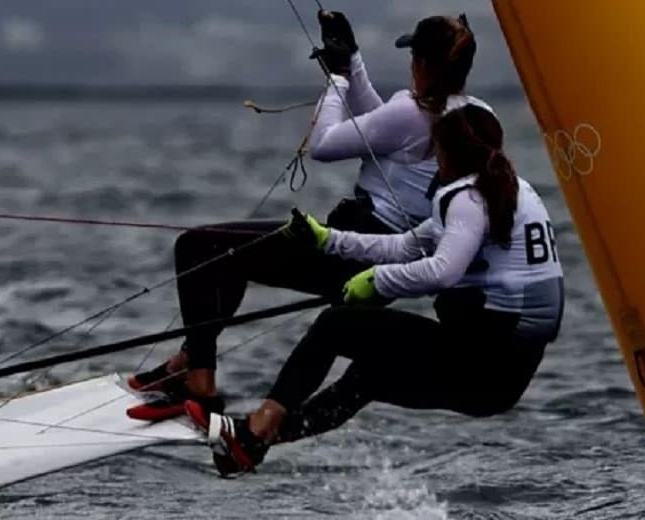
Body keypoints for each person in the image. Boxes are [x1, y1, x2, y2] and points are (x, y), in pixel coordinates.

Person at [125, 9, 495, 421]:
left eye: (413, 58)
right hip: (383, 256)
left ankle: (199, 386)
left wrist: (337, 81)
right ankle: (188, 364)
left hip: (355, 248)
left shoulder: (412, 112)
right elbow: (379, 129)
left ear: (422, 63)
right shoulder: (476, 115)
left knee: (199, 246)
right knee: (226, 257)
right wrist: (352, 61)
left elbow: (326, 145)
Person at [185, 103, 565, 476]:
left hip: (481, 359)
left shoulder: (466, 198)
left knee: (336, 325)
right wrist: (327, 239)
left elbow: (444, 271)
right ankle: (254, 443)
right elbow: (405, 246)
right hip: (502, 382)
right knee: (368, 377)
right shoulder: (512, 190)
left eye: (436, 152)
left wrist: (377, 281)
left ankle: (256, 428)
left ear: (447, 154)